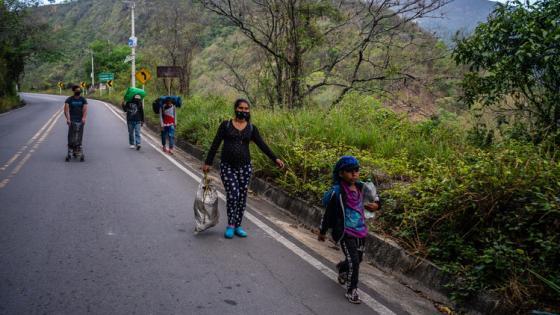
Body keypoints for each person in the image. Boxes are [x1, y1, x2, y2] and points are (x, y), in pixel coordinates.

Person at [203, 99, 285, 239]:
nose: (244, 110)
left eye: (246, 108)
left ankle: (238, 225)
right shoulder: (226, 125)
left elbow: (262, 145)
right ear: (235, 109)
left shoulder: (251, 128)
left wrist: (275, 158)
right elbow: (216, 143)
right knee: (233, 195)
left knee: (242, 197)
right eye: (241, 108)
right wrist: (208, 162)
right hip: (227, 166)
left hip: (245, 168)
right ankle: (230, 225)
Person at [318, 156, 380, 304]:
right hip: (345, 232)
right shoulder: (337, 192)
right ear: (341, 173)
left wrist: (377, 205)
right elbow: (329, 214)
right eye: (350, 171)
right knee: (354, 261)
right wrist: (322, 231)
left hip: (361, 230)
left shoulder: (362, 187)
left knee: (358, 259)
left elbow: (376, 198)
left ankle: (342, 267)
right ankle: (352, 290)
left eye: (356, 170)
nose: (354, 174)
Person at [64, 85, 88, 158]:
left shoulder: (83, 99)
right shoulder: (69, 100)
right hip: (72, 120)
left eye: (79, 90)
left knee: (79, 135)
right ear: (74, 91)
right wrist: (68, 119)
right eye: (77, 90)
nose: (78, 91)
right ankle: (71, 147)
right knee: (72, 135)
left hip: (80, 120)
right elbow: (66, 110)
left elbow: (85, 109)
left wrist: (84, 118)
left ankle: (77, 148)